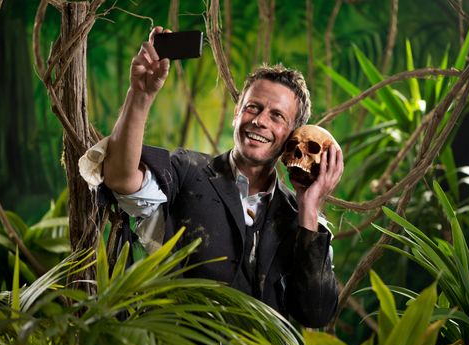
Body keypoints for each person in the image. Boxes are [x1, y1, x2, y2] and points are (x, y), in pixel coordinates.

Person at [99, 26, 343, 328]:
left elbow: (315, 314)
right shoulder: (188, 170)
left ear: (292, 135)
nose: (259, 120)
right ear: (236, 114)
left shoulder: (300, 220)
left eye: (276, 116)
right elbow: (122, 180)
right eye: (252, 107)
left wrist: (309, 208)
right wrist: (140, 94)